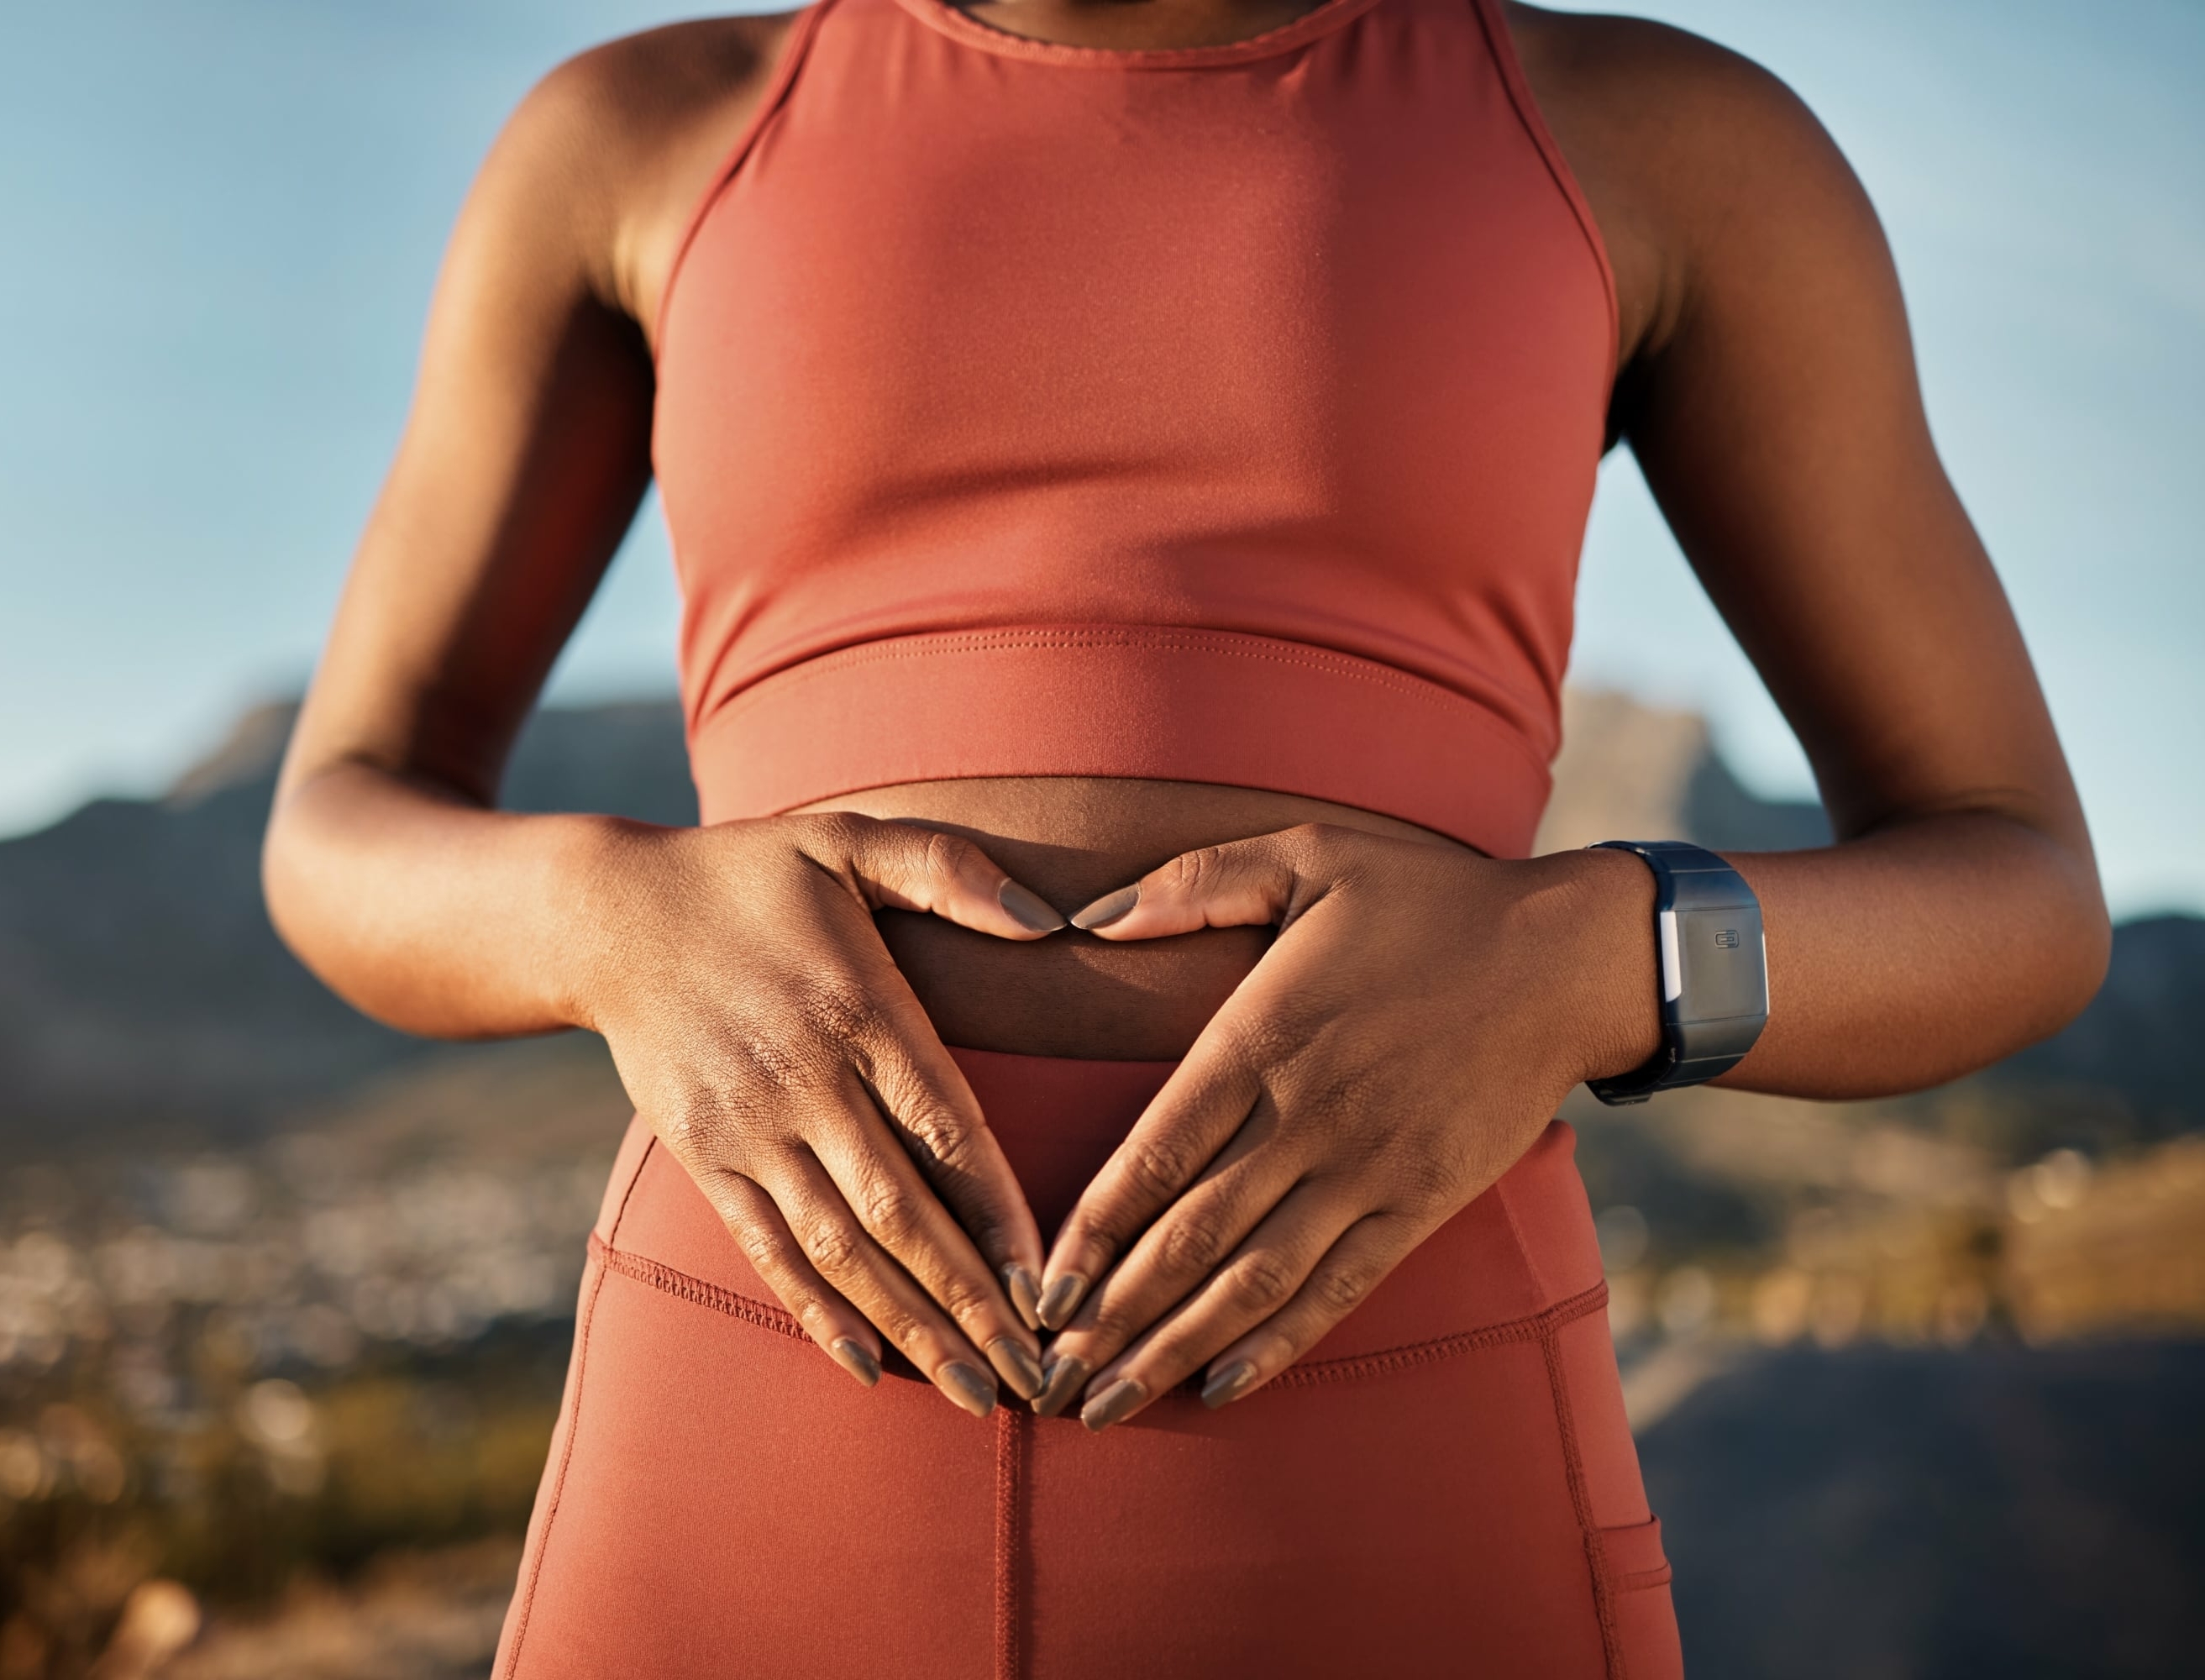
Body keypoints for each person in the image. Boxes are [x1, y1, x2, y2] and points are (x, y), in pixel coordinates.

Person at [261, 0, 2110, 1673]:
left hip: (1399, 1459)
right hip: (741, 1454)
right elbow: (339, 825)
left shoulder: (1656, 140)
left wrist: (1581, 962)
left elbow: (2016, 888)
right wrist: (611, 918)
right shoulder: (641, 131)